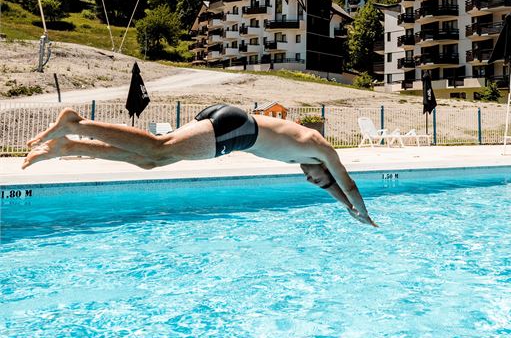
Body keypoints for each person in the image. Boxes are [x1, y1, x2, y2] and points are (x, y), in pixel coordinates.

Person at [22, 105, 378, 227]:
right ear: (324, 170)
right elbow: (346, 183)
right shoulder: (321, 148)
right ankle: (76, 124)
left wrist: (344, 208)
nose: (311, 181)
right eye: (318, 181)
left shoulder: (306, 158)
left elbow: (334, 187)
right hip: (237, 130)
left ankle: (70, 146)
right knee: (158, 149)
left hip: (233, 126)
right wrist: (362, 212)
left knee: (151, 162)